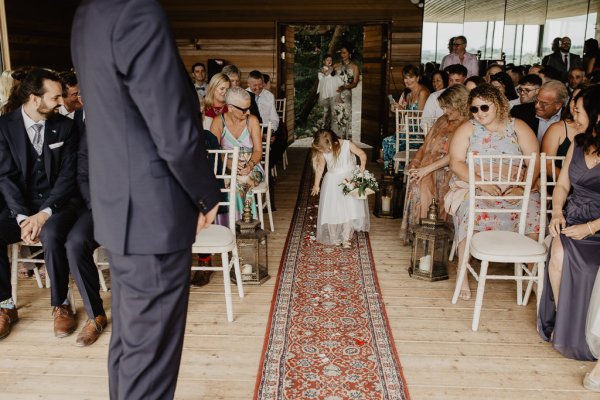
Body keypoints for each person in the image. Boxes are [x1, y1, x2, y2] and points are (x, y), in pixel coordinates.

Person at [71, 1, 221, 399]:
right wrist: (207, 194)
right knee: (149, 361)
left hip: (120, 209)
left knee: (130, 349)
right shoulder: (137, 12)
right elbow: (172, 126)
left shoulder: (89, 14)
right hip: (153, 213)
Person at [0, 67, 80, 340]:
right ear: (35, 99)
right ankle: (5, 305)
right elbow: (5, 176)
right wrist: (22, 217)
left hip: (58, 205)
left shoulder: (67, 126)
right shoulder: (3, 125)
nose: (62, 103)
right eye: (55, 98)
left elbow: (68, 177)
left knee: (53, 233)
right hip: (20, 206)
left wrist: (43, 214)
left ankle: (61, 305)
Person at [446, 84, 540, 300]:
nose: (479, 114)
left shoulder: (518, 127)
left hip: (515, 188)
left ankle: (532, 272)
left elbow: (534, 161)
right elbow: (456, 162)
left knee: (533, 206)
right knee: (469, 207)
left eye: (484, 108)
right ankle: (462, 270)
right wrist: (480, 183)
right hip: (479, 186)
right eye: (474, 109)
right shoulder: (468, 128)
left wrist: (522, 185)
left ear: (498, 104)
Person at [538, 85, 600, 361]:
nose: (573, 114)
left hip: (597, 225)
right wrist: (558, 212)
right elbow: (562, 186)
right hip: (572, 215)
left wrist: (590, 228)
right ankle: (564, 323)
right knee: (559, 253)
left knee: (583, 265)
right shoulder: (578, 142)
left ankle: (579, 330)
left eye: (579, 110)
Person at [399, 85, 470, 244]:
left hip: (449, 168)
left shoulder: (468, 124)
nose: (445, 110)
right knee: (416, 180)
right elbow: (425, 145)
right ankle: (419, 233)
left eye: (447, 106)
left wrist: (426, 170)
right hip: (428, 164)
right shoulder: (442, 120)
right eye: (443, 106)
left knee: (424, 182)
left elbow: (455, 156)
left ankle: (436, 236)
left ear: (460, 104)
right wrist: (415, 163)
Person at [210, 86, 264, 219]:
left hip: (251, 164)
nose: (248, 112)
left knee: (241, 181)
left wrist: (250, 165)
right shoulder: (218, 122)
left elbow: (258, 151)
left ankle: (244, 223)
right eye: (244, 109)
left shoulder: (252, 120)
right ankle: (227, 225)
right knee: (222, 182)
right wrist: (228, 162)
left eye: (249, 108)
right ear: (230, 107)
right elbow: (213, 151)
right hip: (224, 164)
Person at [310, 129, 368, 249]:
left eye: (326, 149)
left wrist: (362, 166)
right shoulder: (323, 150)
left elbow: (362, 154)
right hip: (332, 182)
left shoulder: (347, 144)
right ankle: (334, 237)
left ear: (333, 143)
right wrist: (316, 184)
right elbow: (320, 168)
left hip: (348, 181)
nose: (325, 151)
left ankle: (346, 238)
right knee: (332, 209)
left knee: (349, 210)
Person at [382, 64, 430, 169]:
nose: (408, 80)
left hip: (419, 133)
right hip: (408, 130)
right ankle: (394, 171)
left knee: (388, 142)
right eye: (405, 78)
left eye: (411, 77)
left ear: (418, 78)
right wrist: (397, 110)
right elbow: (407, 115)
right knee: (387, 141)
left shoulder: (423, 92)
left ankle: (396, 171)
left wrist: (403, 111)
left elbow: (420, 116)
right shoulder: (408, 95)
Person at [541, 85, 585, 177]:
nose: (576, 104)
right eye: (574, 99)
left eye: (582, 100)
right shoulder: (557, 129)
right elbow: (546, 165)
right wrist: (570, 183)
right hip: (558, 184)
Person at [332, 45, 360, 139]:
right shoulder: (336, 65)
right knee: (337, 116)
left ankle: (347, 139)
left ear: (350, 54)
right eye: (341, 52)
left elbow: (355, 83)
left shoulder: (354, 67)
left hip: (346, 93)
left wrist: (344, 87)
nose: (342, 54)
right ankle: (338, 139)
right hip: (336, 93)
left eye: (344, 52)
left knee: (346, 115)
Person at [317, 54, 343, 129]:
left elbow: (335, 78)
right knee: (326, 110)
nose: (329, 61)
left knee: (333, 108)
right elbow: (325, 74)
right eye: (327, 60)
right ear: (324, 61)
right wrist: (331, 68)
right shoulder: (323, 68)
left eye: (331, 60)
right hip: (325, 91)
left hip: (332, 91)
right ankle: (324, 125)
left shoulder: (332, 69)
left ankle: (332, 126)